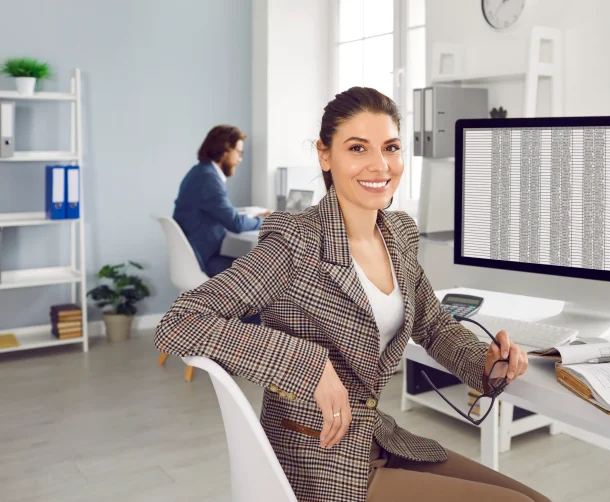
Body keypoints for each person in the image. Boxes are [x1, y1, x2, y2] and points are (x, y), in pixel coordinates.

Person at [154, 87, 550, 502]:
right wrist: (310, 366)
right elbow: (181, 322)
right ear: (325, 155)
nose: (380, 165)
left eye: (391, 148)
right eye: (357, 148)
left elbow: (434, 326)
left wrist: (485, 363)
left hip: (377, 439)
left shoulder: (399, 233)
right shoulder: (296, 243)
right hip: (319, 461)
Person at [173, 125, 271, 277]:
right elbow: (236, 224)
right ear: (225, 151)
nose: (240, 159)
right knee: (264, 273)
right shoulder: (208, 178)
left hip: (198, 257)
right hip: (203, 263)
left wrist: (252, 217)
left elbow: (221, 212)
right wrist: (270, 220)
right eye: (238, 153)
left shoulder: (200, 172)